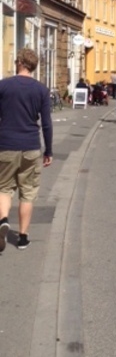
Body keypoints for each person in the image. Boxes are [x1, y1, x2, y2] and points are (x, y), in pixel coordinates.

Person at [0, 48, 53, 252]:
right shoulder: (41, 90)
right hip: (31, 146)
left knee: (3, 187)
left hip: (5, 144)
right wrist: (48, 150)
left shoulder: (3, 86)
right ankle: (22, 238)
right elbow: (47, 123)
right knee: (27, 193)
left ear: (20, 62)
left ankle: (3, 219)